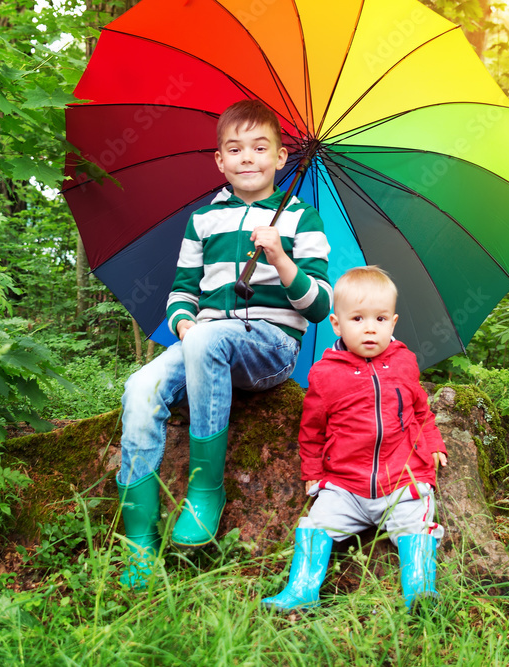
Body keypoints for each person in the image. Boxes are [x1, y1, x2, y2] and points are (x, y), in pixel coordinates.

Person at [115, 99, 332, 589]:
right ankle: (139, 541)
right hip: (204, 343)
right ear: (220, 160)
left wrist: (279, 256)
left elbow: (319, 306)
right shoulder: (202, 221)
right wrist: (185, 323)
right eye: (234, 149)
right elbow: (182, 291)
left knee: (212, 340)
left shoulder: (301, 219)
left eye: (260, 148)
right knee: (141, 388)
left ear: (280, 158)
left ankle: (205, 491)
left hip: (270, 348)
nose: (247, 158)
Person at [261, 266, 448, 612]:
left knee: (417, 521)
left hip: (401, 481)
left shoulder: (405, 363)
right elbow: (312, 428)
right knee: (317, 522)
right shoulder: (325, 373)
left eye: (379, 319)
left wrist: (434, 444)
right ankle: (301, 590)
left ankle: (420, 593)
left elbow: (421, 410)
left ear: (392, 323)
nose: (370, 328)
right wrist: (314, 470)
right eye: (358, 319)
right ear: (336, 323)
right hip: (345, 484)